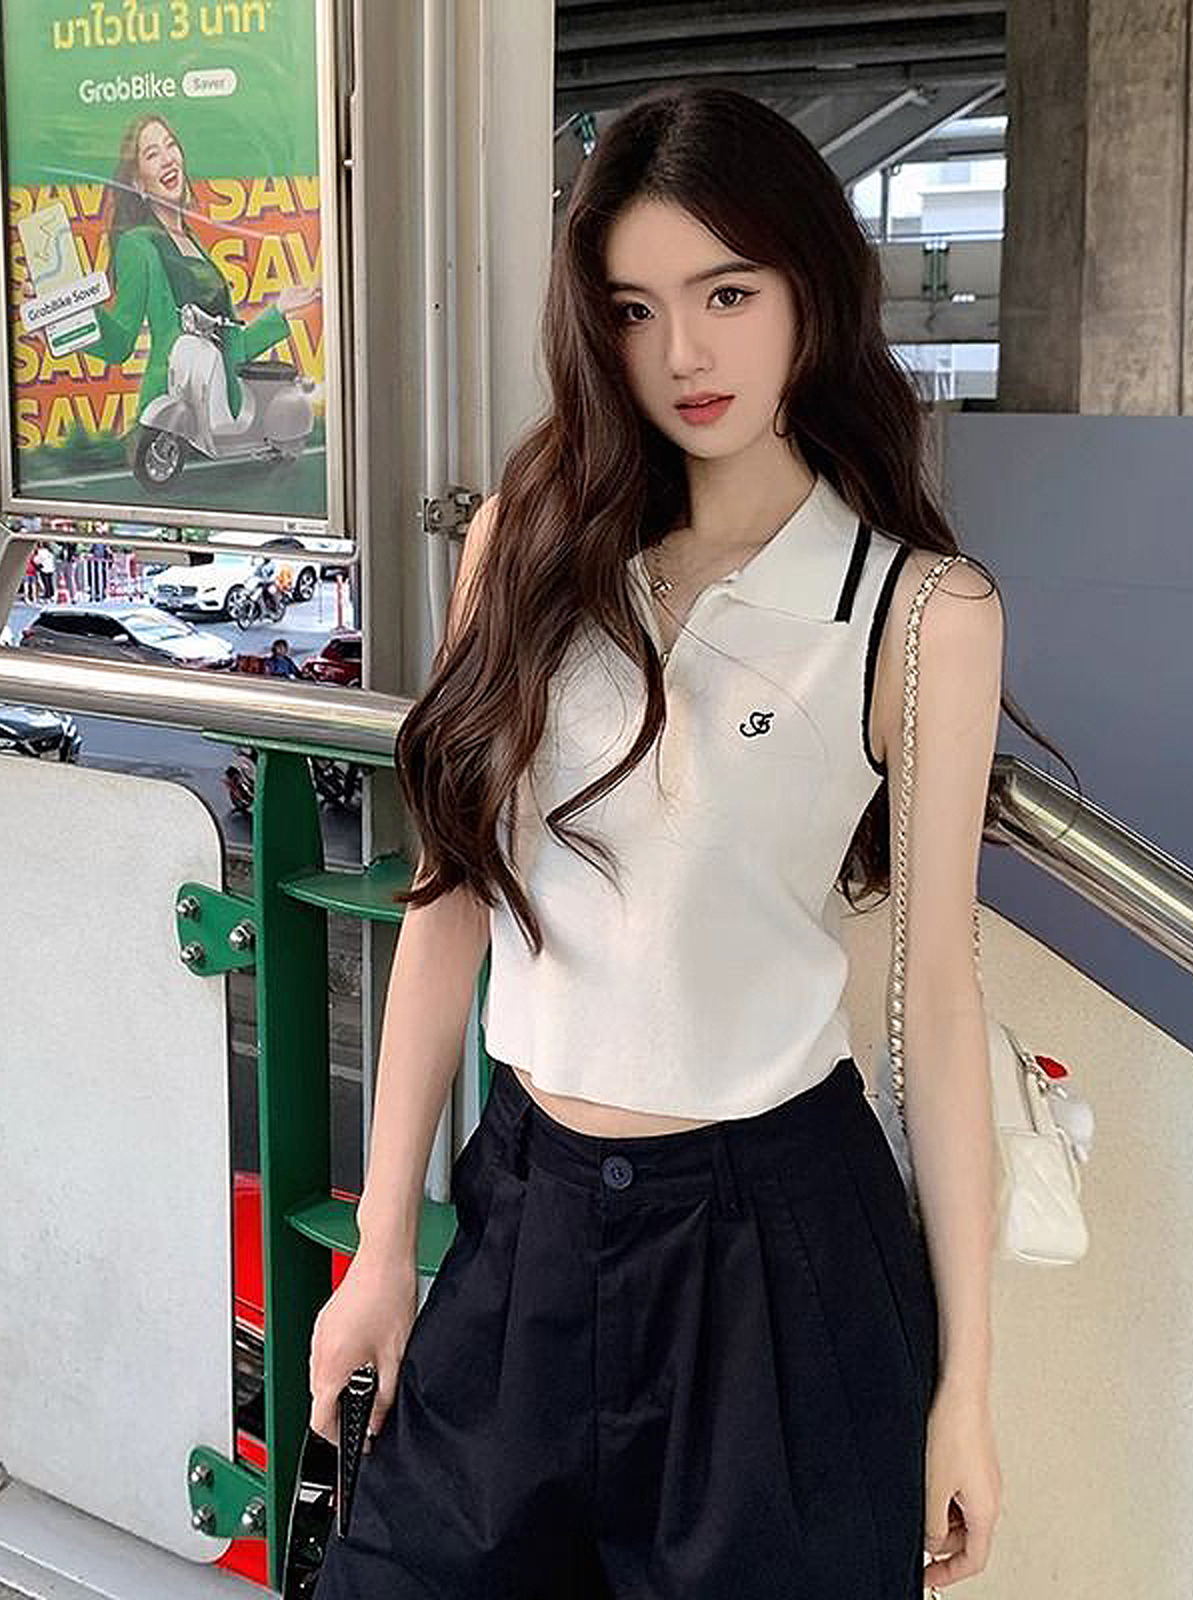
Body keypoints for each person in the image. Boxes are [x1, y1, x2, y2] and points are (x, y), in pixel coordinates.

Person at [307, 85, 1069, 1600]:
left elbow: (933, 999)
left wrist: (966, 1388)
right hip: (524, 1212)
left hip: (775, 1251)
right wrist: (383, 1245)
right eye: (635, 309)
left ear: (811, 291)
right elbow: (450, 900)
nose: (683, 356)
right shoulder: (526, 541)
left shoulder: (918, 609)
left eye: (727, 294)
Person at [87, 114, 320, 435]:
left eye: (171, 145)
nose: (167, 158)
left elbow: (231, 349)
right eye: (152, 154)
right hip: (173, 418)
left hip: (221, 414)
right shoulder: (138, 245)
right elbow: (119, 344)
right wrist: (69, 315)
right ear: (138, 184)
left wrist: (278, 309)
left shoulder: (193, 243)